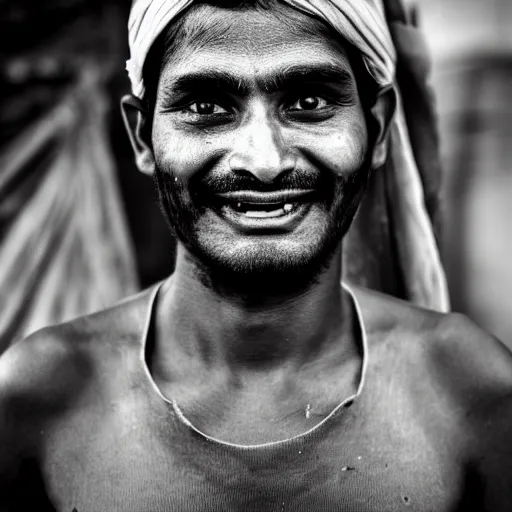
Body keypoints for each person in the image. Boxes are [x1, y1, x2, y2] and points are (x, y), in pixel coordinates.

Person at [0, 0, 511, 510]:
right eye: (206, 107)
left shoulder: (472, 394)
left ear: (375, 129)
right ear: (143, 136)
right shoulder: (36, 402)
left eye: (309, 101)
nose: (264, 161)